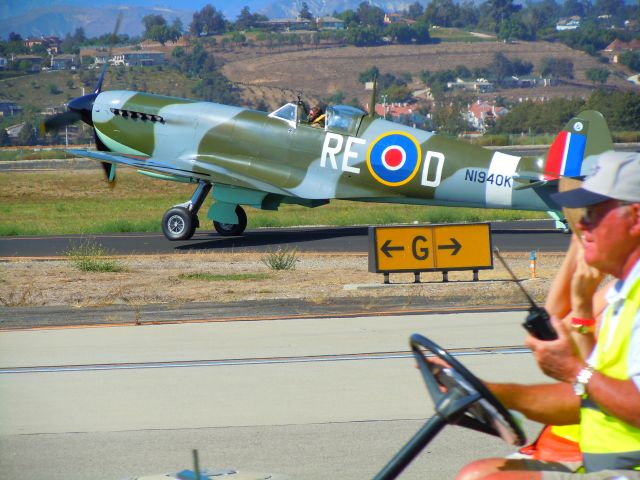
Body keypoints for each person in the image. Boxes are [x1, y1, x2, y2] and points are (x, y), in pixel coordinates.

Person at [455, 150, 640, 479]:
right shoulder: (625, 291)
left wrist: (574, 369)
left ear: (635, 217)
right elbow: (584, 387)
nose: (582, 223)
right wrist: (497, 392)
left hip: (622, 466)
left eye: (593, 213)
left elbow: (585, 377)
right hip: (606, 461)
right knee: (479, 474)